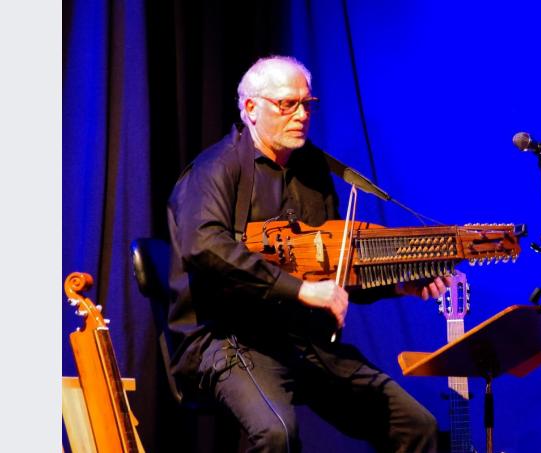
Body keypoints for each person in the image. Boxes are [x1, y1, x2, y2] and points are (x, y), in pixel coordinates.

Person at [167, 55, 451, 453]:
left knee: (417, 427)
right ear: (251, 107)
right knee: (276, 434)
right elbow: (204, 245)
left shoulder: (313, 172)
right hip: (228, 338)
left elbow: (335, 270)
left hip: (301, 339)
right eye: (287, 104)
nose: (301, 115)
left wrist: (399, 284)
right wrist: (299, 290)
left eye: (306, 104)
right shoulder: (216, 168)